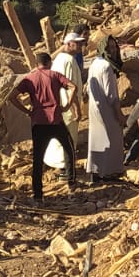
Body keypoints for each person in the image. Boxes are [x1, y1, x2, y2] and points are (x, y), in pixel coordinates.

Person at [11, 57, 76, 199]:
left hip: (38, 122)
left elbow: (12, 96)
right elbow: (73, 86)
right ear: (49, 63)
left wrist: (27, 111)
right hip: (56, 120)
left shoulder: (29, 78)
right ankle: (71, 184)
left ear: (36, 64)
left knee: (38, 158)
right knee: (69, 149)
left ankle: (38, 195)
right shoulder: (55, 75)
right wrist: (67, 106)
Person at [43, 29, 88, 173]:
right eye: (77, 44)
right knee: (68, 137)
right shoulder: (68, 61)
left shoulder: (59, 60)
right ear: (69, 44)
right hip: (67, 107)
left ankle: (52, 162)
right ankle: (64, 168)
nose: (81, 46)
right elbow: (70, 87)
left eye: (82, 44)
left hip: (59, 105)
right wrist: (76, 107)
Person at [84, 35, 125, 182]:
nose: (113, 51)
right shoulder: (107, 67)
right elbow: (111, 94)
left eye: (115, 47)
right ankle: (110, 173)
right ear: (103, 49)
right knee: (113, 140)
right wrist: (119, 114)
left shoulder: (95, 63)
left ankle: (96, 172)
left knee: (98, 140)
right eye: (110, 48)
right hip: (107, 109)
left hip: (95, 107)